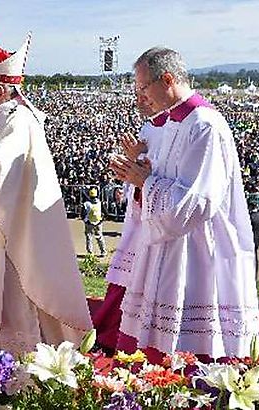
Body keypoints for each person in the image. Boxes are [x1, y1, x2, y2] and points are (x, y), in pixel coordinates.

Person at [110, 47, 259, 361]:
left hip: (196, 252)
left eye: (142, 87)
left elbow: (197, 202)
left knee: (188, 356)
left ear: (166, 79)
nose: (141, 96)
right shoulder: (169, 123)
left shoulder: (205, 125)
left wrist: (145, 183)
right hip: (165, 247)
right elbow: (154, 180)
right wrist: (140, 174)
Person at [0, 27, 93, 352]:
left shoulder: (18, 122)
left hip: (11, 232)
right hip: (2, 221)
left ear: (2, 90)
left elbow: (1, 174)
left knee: (13, 296)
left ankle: (14, 362)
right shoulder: (8, 118)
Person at [93, 95, 167, 353]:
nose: (139, 101)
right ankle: (112, 334)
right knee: (123, 285)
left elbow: (163, 175)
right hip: (140, 217)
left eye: (145, 94)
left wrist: (137, 163)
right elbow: (140, 175)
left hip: (160, 221)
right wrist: (130, 166)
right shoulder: (148, 127)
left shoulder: (178, 129)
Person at [82, 188, 106, 256]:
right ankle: (103, 251)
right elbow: (106, 212)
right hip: (98, 222)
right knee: (99, 237)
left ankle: (90, 253)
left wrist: (85, 221)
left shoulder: (86, 204)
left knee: (89, 237)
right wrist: (101, 220)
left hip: (89, 223)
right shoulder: (100, 203)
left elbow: (83, 214)